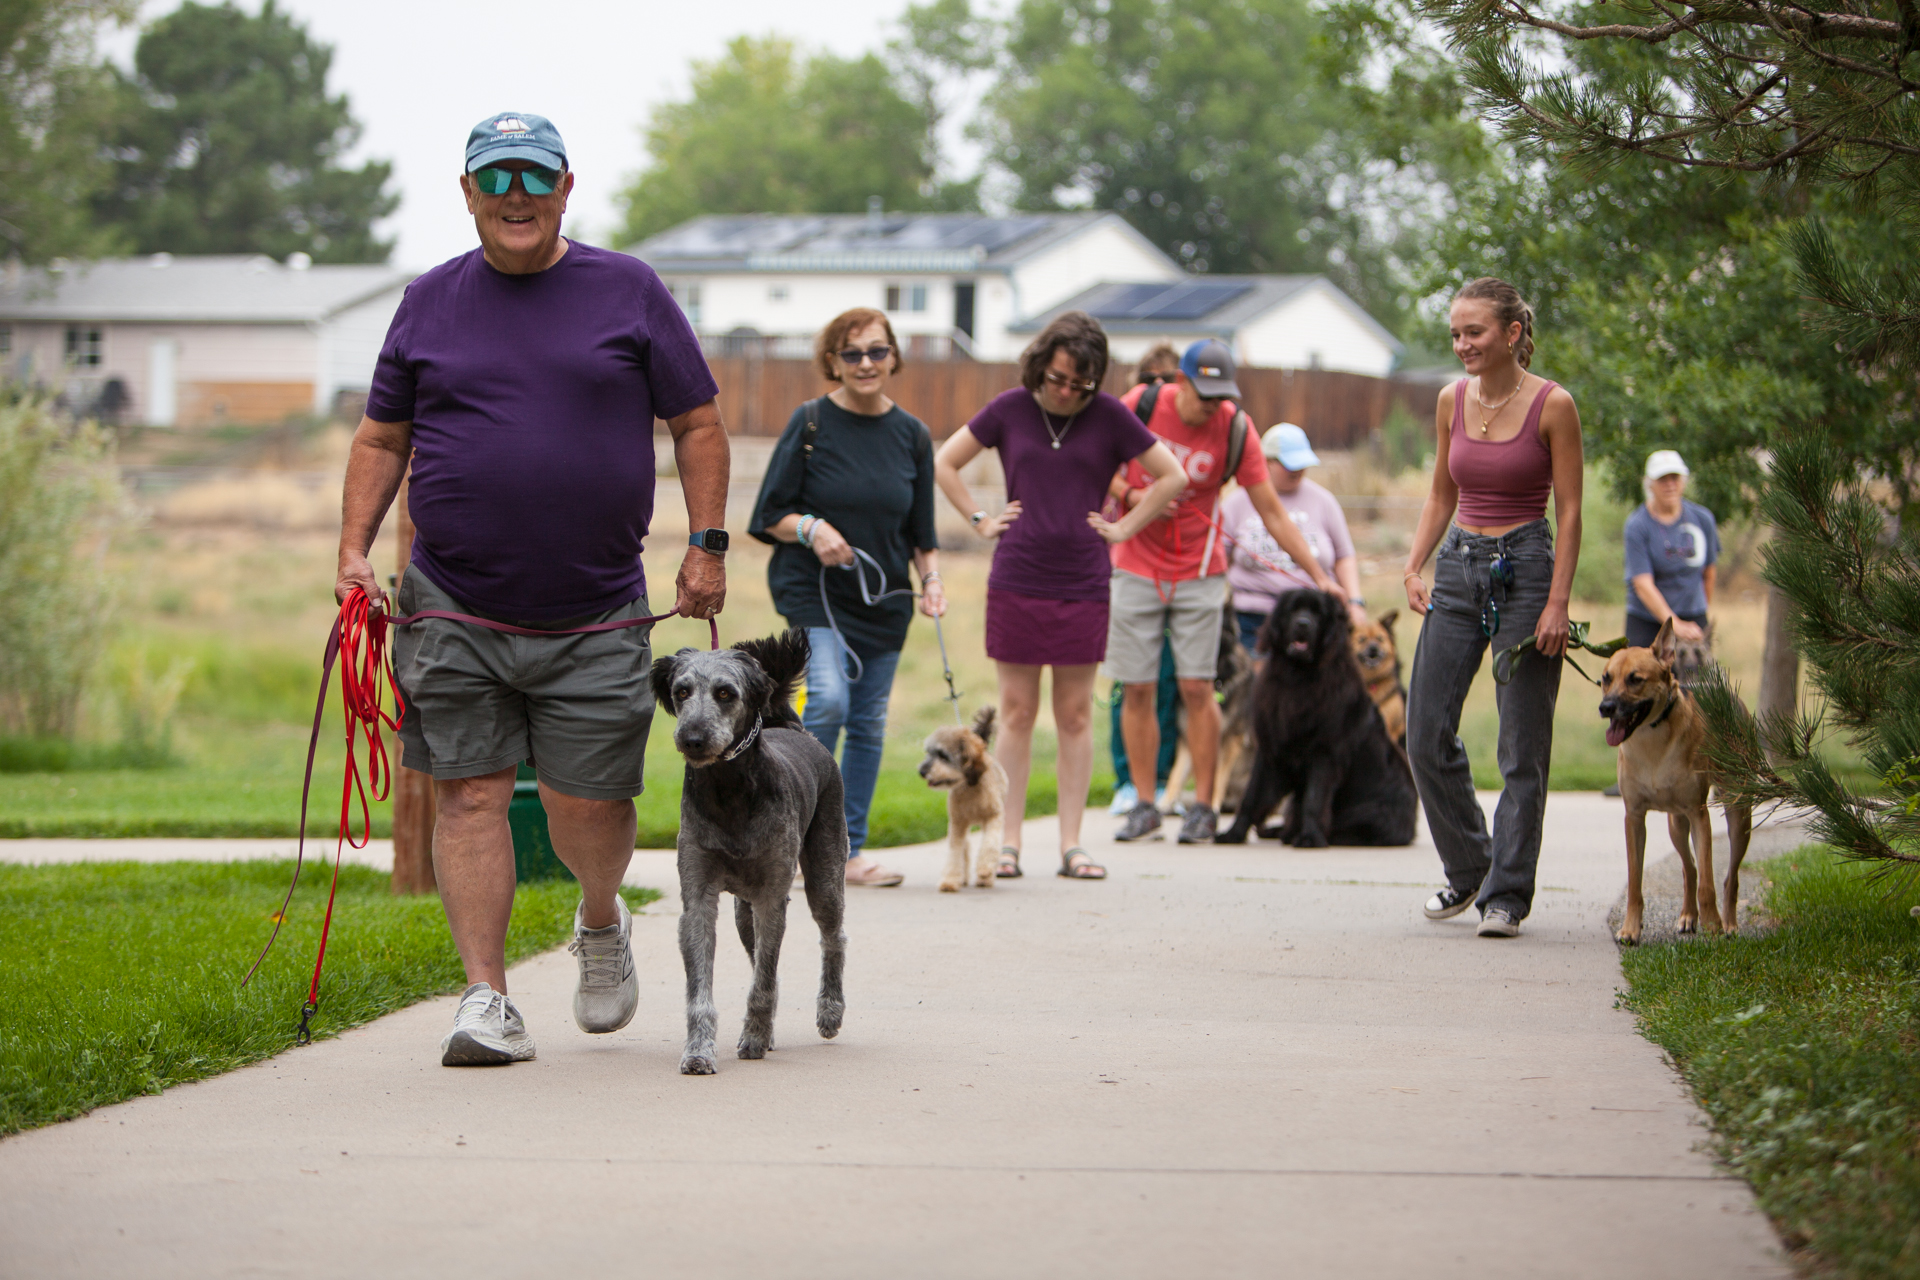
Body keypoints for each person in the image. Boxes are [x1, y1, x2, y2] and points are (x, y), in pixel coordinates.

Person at [339, 112, 729, 1066]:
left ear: (565, 188)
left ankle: (601, 923)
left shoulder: (629, 290)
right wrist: (353, 549)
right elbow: (383, 437)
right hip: (454, 602)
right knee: (468, 796)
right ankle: (486, 1000)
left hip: (597, 606)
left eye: (534, 176)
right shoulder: (428, 301)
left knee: (586, 803)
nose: (515, 194)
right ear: (467, 192)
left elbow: (700, 424)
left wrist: (706, 545)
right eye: (496, 177)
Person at [935, 313, 1186, 880]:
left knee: (1074, 715)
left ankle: (1072, 844)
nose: (1067, 391)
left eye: (1081, 383)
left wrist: (1124, 528)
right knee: (1017, 712)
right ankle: (1010, 841)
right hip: (1018, 573)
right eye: (1058, 379)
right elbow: (945, 463)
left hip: (1083, 579)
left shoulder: (1110, 416)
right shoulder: (1010, 408)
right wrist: (980, 519)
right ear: (1040, 366)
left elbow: (1171, 477)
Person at [1402, 277, 1584, 940]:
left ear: (1511, 333)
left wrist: (1557, 602)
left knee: (1520, 745)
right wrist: (1415, 562)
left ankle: (1507, 894)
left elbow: (1570, 511)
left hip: (1528, 571)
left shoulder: (1554, 406)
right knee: (1424, 731)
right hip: (1457, 566)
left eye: (1473, 332)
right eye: (1455, 333)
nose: (1462, 344)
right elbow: (1438, 496)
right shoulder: (1452, 399)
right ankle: (1472, 864)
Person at [1107, 339, 1340, 845]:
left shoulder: (1235, 427)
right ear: (1181, 381)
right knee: (1139, 686)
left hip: (1199, 571)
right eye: (1203, 393)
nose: (1212, 405)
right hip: (1135, 566)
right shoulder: (1142, 406)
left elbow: (1272, 511)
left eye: (1221, 395)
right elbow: (1100, 463)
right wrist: (1132, 494)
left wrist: (1319, 575)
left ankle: (1204, 807)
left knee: (1198, 687)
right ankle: (1145, 804)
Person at [748, 308, 944, 888]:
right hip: (814, 590)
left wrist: (931, 582)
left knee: (869, 721)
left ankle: (842, 853)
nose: (865, 364)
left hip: (884, 601)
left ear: (894, 357)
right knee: (829, 697)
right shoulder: (810, 423)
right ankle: (791, 835)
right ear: (832, 360)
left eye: (877, 352)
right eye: (852, 353)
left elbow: (923, 535)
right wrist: (811, 528)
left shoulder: (911, 435)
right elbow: (769, 515)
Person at [1107, 344, 1185, 816]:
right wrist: (1136, 495)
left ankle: (1162, 778)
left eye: (1170, 377)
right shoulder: (1128, 420)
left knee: (1172, 679)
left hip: (1179, 566)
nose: (1161, 386)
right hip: (1131, 559)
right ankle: (1125, 779)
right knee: (1130, 680)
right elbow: (1104, 472)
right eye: (1152, 378)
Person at [1222, 423, 1369, 653]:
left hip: (1312, 617)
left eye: (1303, 463)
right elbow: (1220, 557)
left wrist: (1355, 601)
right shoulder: (1236, 503)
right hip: (1252, 619)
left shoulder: (1323, 501)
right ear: (1265, 462)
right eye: (1289, 463)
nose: (1298, 470)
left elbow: (1344, 556)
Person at [1623, 449, 1718, 649]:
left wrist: (1699, 610)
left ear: (1683, 481)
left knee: (1698, 678)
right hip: (1647, 620)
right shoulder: (1637, 525)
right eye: (1662, 479)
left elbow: (1709, 572)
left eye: (1674, 478)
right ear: (1650, 484)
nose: (1670, 484)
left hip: (1692, 617)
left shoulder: (1703, 519)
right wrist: (1674, 624)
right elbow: (1642, 584)